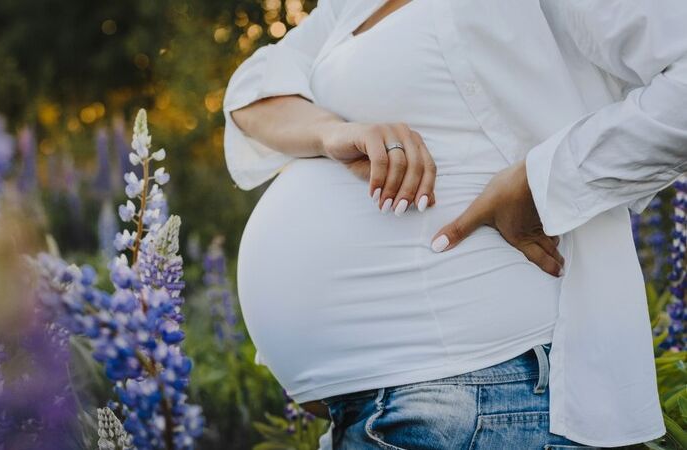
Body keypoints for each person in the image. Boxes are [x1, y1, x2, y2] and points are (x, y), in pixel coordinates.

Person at [222, 0, 687, 448]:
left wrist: (542, 182)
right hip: (391, 405)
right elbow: (254, 90)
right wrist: (334, 131)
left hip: (479, 390)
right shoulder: (355, 5)